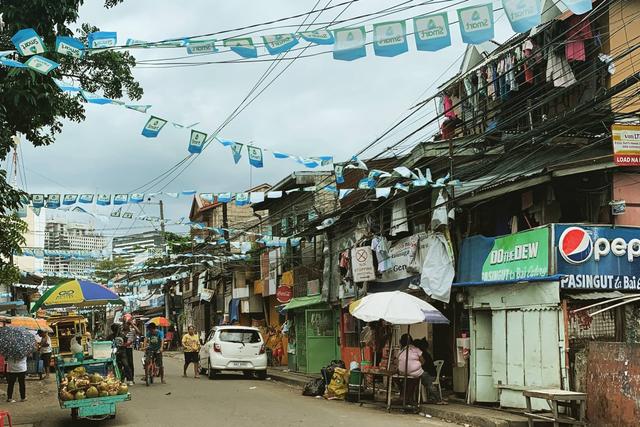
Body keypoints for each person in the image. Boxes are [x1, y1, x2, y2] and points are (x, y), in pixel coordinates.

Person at [413, 338, 444, 404]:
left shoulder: (423, 355)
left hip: (430, 375)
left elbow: (422, 366)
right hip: (427, 373)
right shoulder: (424, 354)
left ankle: (437, 398)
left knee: (425, 381)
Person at [397, 334, 423, 404]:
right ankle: (408, 397)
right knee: (415, 379)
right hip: (414, 373)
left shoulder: (401, 351)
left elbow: (397, 361)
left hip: (402, 372)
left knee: (407, 380)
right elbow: (423, 361)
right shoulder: (416, 349)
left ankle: (404, 395)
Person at [122, 319, 140, 383]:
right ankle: (123, 378)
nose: (125, 325)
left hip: (129, 349)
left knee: (130, 364)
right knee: (123, 364)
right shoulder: (121, 332)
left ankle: (131, 378)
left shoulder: (132, 331)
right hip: (122, 349)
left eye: (127, 324)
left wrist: (132, 324)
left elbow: (139, 332)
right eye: (124, 324)